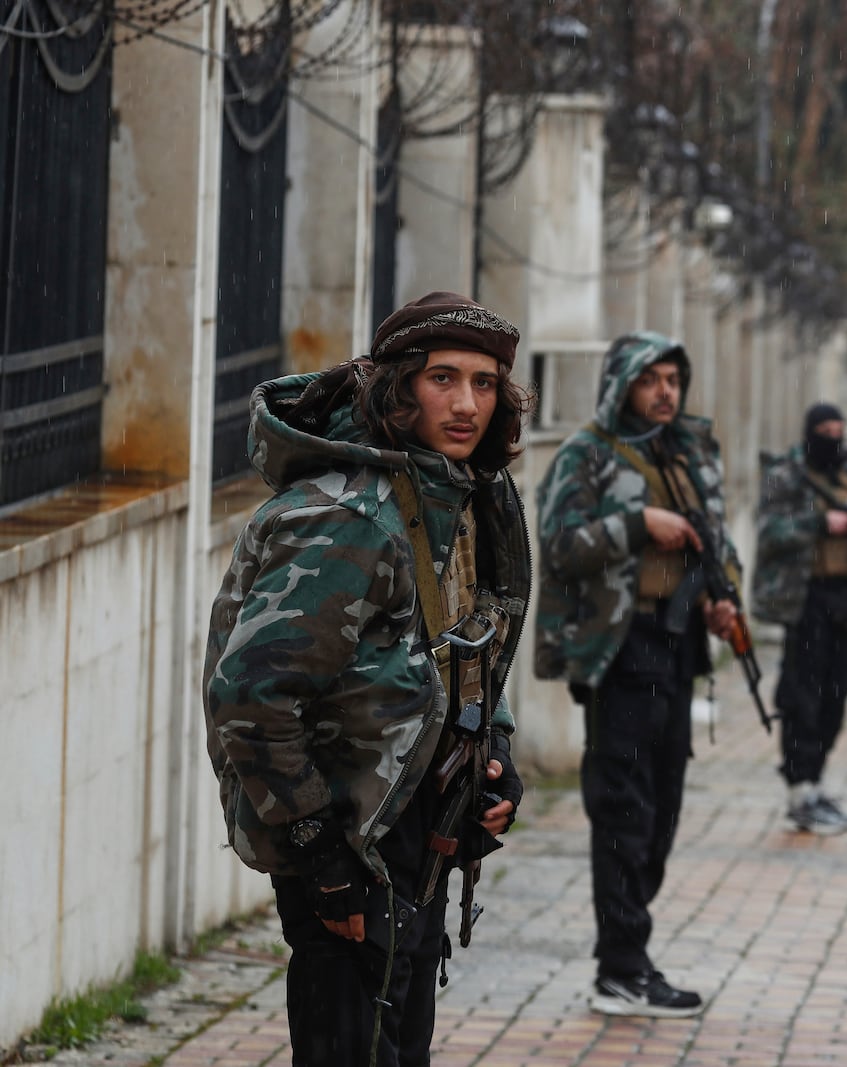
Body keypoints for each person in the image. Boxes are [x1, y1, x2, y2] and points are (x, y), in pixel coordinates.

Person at [204, 291, 533, 1066]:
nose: (465, 403)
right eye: (442, 378)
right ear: (398, 386)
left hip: (416, 834)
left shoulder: (452, 494)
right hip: (350, 838)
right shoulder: (349, 516)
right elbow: (251, 697)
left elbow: (467, 646)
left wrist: (497, 759)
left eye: (484, 384)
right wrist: (319, 853)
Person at [533, 331, 742, 1019]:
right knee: (623, 807)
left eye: (673, 379)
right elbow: (560, 545)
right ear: (622, 383)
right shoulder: (586, 455)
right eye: (650, 379)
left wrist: (723, 596)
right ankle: (622, 964)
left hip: (677, 645)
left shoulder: (687, 451)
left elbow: (718, 539)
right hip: (619, 649)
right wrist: (635, 524)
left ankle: (627, 946)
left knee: (663, 806)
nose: (664, 392)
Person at [753, 403, 847, 834]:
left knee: (835, 697)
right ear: (809, 432)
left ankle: (816, 784)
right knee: (802, 696)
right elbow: (769, 532)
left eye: (838, 430)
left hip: (845, 598)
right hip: (804, 598)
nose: (832, 437)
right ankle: (799, 788)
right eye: (824, 429)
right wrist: (820, 522)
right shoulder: (787, 476)